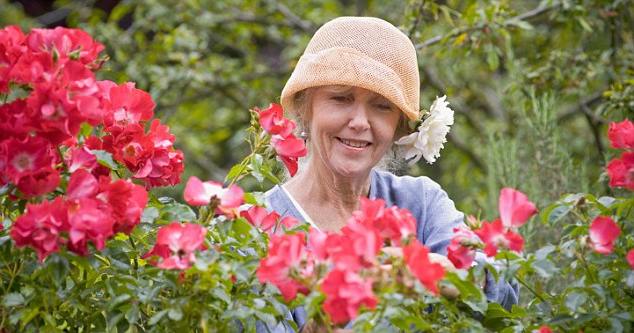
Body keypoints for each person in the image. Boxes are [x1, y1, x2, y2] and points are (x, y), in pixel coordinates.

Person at [261, 16, 519, 331]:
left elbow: (501, 296)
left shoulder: (421, 203)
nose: (359, 121)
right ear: (305, 106)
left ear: (398, 127)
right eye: (341, 98)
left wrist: (437, 275)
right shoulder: (257, 225)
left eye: (381, 106)